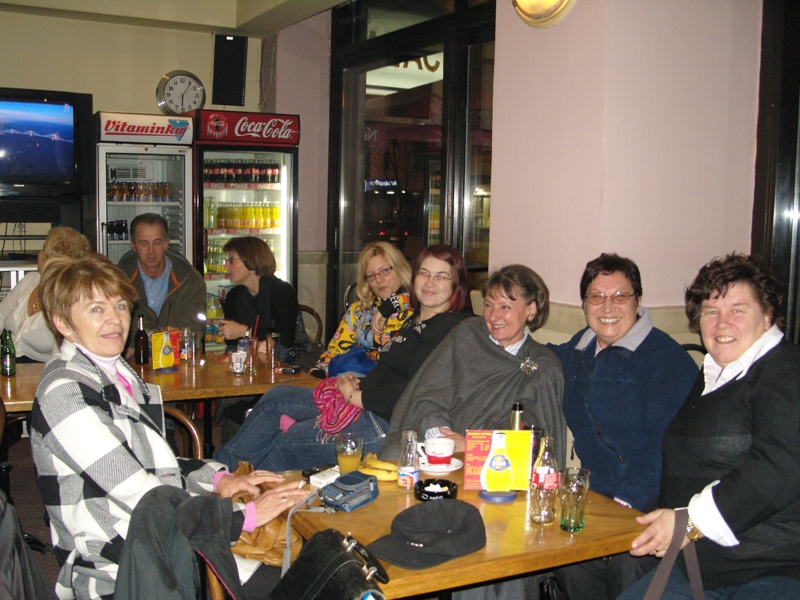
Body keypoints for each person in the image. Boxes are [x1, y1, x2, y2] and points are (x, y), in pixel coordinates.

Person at [31, 254, 310, 600]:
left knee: (300, 572)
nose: (114, 319)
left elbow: (153, 465)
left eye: (120, 305)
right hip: (121, 567)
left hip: (159, 541)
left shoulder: (116, 371)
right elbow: (140, 493)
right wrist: (242, 516)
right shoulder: (64, 392)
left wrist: (219, 479)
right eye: (96, 309)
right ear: (62, 322)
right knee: (294, 584)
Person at [619, 253, 800, 599]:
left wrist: (689, 522)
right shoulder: (714, 372)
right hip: (701, 566)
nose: (722, 323)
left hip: (772, 567)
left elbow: (780, 467)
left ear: (767, 315)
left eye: (737, 310)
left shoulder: (786, 371)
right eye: (711, 311)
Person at [214, 244, 471, 472]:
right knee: (275, 397)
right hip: (360, 393)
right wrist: (340, 381)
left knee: (278, 445)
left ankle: (232, 487)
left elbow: (411, 392)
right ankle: (219, 472)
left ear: (455, 284)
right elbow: (349, 350)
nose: (429, 282)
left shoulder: (448, 329)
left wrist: (354, 396)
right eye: (424, 274)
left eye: (441, 276)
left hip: (379, 419)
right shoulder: (414, 318)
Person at [549, 254, 698, 599]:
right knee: (565, 553)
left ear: (637, 301)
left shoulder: (665, 360)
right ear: (583, 303)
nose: (607, 307)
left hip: (652, 497)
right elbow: (543, 357)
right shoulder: (579, 349)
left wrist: (623, 503)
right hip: (596, 495)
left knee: (628, 560)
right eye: (596, 296)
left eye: (620, 296)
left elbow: (667, 446)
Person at [379, 264, 566, 465]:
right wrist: (442, 437)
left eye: (505, 307)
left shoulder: (542, 365)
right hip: (436, 442)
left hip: (494, 464)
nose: (493, 316)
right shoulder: (468, 334)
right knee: (395, 458)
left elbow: (532, 440)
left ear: (531, 310)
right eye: (489, 305)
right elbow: (427, 394)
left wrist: (472, 446)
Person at [311, 240, 413, 376]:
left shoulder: (418, 306)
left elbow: (423, 298)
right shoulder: (358, 311)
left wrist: (389, 306)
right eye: (371, 275)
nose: (378, 280)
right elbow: (333, 353)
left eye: (384, 271)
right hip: (357, 380)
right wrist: (319, 372)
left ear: (400, 268)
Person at [0, 226, 91, 363]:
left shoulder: (69, 299)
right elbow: (0, 316)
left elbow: (60, 359)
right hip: (9, 366)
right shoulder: (30, 280)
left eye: (43, 249)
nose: (39, 253)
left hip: (41, 371)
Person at [117, 213, 206, 351]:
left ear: (167, 243)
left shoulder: (189, 279)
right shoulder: (118, 280)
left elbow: (196, 326)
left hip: (178, 356)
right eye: (144, 243)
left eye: (157, 242)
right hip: (135, 359)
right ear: (133, 245)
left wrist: (177, 335)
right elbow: (114, 324)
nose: (151, 251)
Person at [217, 236, 298, 359]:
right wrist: (256, 341)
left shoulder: (281, 291)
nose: (225, 265)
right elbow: (231, 341)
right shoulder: (233, 296)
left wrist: (244, 331)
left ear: (251, 260)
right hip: (250, 357)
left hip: (291, 359)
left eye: (231, 260)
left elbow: (285, 339)